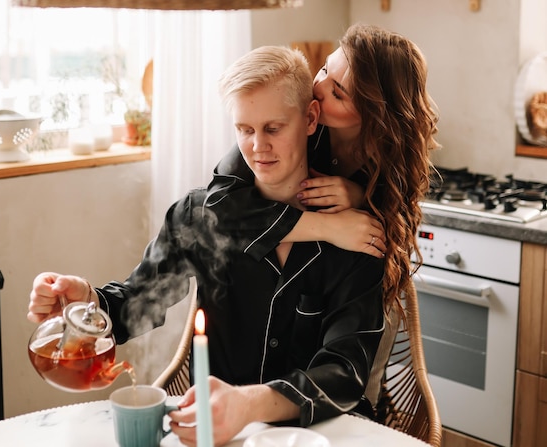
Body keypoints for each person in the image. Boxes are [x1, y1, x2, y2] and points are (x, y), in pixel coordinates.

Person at [28, 45, 384, 447]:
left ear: (310, 119)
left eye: (273, 128)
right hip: (217, 435)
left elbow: (344, 372)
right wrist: (87, 301)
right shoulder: (197, 218)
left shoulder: (354, 236)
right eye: (244, 130)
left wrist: (250, 404)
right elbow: (136, 303)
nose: (257, 147)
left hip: (320, 437)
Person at [207, 23, 440, 312]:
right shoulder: (291, 124)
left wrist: (363, 198)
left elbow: (390, 237)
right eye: (325, 70)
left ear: (374, 113)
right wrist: (330, 227)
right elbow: (218, 210)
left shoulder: (391, 159)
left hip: (347, 312)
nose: (317, 89)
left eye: (338, 94)